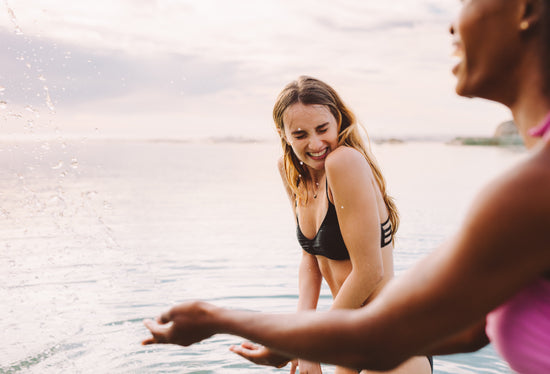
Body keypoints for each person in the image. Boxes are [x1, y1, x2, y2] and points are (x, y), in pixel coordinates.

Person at [143, 0, 550, 373]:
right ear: (284, 136)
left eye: (465, 0)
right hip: (370, 340)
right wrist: (305, 343)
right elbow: (462, 328)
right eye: (299, 134)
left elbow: (377, 306)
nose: (450, 25)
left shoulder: (527, 190)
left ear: (526, 10)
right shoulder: (298, 177)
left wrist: (218, 319)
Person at [248, 76, 434, 374]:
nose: (315, 143)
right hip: (349, 339)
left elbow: (370, 272)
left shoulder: (344, 162)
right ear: (284, 135)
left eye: (322, 129)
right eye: (300, 134)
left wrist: (310, 344)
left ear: (338, 121)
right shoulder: (292, 172)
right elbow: (311, 258)